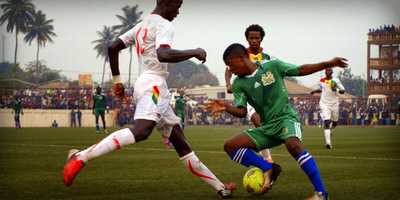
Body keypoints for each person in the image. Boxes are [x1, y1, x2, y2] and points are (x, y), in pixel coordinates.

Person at [62, 0, 235, 198]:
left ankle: (222, 188)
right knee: (142, 131)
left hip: (145, 85)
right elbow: (163, 54)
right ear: (167, 2)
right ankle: (81, 157)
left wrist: (117, 81)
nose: (178, 12)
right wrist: (194, 52)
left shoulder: (141, 25)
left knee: (182, 145)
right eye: (177, 6)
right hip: (154, 87)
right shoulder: (164, 25)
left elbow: (112, 48)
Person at [207, 43, 348, 200]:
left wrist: (329, 63)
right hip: (267, 127)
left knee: (293, 145)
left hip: (286, 118)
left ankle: (321, 194)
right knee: (230, 146)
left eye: (230, 65)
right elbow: (242, 111)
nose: (230, 70)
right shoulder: (239, 84)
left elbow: (301, 70)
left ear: (241, 58)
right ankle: (269, 168)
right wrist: (226, 107)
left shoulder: (272, 66)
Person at [225, 24, 275, 163]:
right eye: (251, 37)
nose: (254, 40)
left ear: (261, 39)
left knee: (268, 130)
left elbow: (276, 72)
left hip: (267, 98)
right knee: (259, 124)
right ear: (247, 39)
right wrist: (229, 84)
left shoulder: (269, 55)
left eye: (257, 38)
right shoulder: (241, 54)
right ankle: (268, 161)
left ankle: (263, 150)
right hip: (248, 96)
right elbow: (228, 69)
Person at [310, 68, 345, 149]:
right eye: (326, 70)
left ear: (332, 72)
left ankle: (331, 128)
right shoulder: (321, 80)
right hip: (324, 104)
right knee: (326, 122)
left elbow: (343, 91)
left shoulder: (336, 80)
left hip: (334, 104)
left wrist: (336, 89)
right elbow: (320, 89)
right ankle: (328, 143)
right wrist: (314, 91)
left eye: (329, 70)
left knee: (335, 122)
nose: (327, 72)